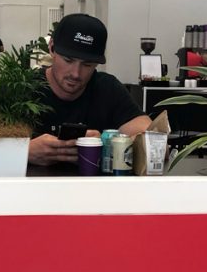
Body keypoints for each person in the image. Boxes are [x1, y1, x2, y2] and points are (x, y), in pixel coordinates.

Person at [28, 14, 151, 166]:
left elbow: (154, 142)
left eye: (87, 65)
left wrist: (106, 145)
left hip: (96, 189)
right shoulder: (22, 88)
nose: (75, 73)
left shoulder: (107, 88)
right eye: (68, 60)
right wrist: (24, 152)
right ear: (52, 48)